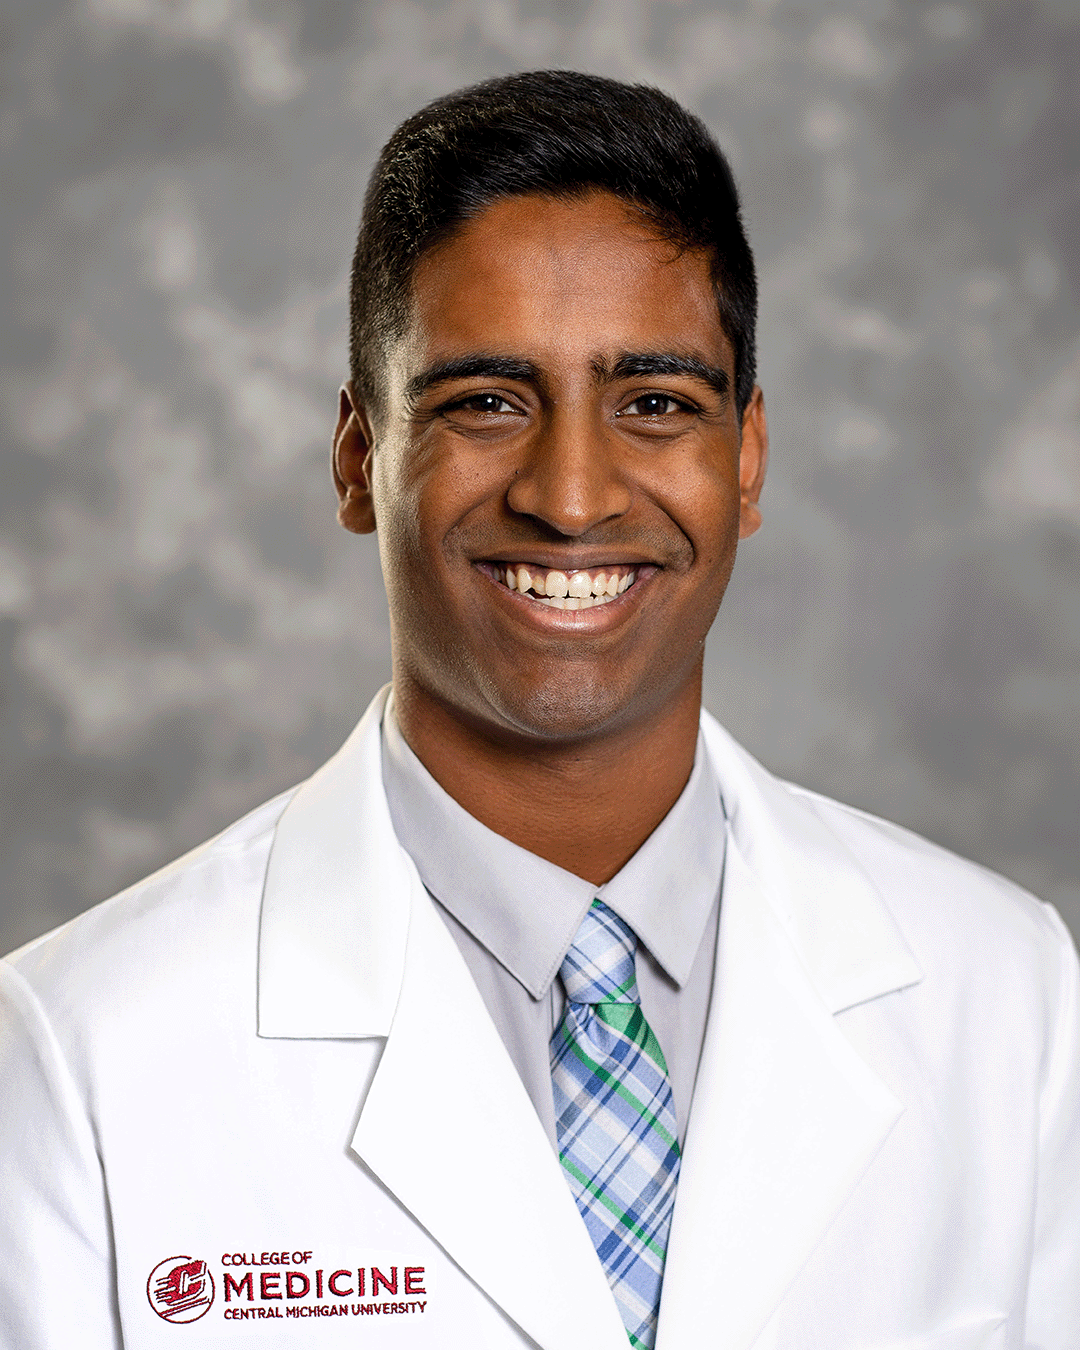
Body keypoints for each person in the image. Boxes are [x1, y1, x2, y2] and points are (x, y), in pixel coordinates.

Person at [1, 70, 1077, 1350]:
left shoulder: (1010, 998)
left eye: (657, 404)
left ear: (747, 462)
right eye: (486, 403)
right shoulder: (76, 1054)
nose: (571, 497)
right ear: (358, 458)